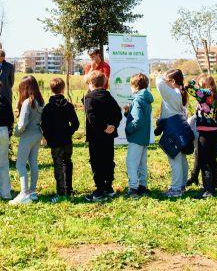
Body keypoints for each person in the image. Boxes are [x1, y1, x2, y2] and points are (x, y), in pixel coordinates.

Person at [186, 74, 217, 199]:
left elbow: (188, 87)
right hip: (214, 132)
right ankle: (215, 183)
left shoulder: (205, 94)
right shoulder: (215, 95)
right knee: (212, 159)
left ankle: (208, 190)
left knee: (204, 161)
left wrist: (193, 81)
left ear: (203, 84)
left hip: (205, 134)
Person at [82, 70, 122, 202]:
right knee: (108, 160)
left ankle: (99, 190)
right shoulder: (108, 95)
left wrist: (104, 127)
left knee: (96, 162)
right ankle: (109, 187)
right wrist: (112, 125)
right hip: (109, 136)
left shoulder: (89, 98)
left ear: (91, 83)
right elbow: (118, 113)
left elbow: (92, 118)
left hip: (96, 136)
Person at [39, 77, 80, 202]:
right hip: (67, 140)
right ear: (63, 89)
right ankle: (69, 189)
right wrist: (69, 132)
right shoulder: (68, 106)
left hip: (54, 141)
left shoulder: (48, 108)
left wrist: (48, 137)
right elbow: (76, 123)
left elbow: (43, 125)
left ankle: (61, 191)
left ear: (51, 89)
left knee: (58, 164)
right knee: (67, 162)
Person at [154, 69, 190, 198]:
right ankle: (182, 184)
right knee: (181, 158)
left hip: (173, 128)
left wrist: (161, 76)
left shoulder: (173, 93)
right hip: (181, 126)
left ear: (172, 81)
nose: (165, 82)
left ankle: (176, 188)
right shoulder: (181, 92)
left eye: (168, 80)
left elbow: (158, 83)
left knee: (174, 157)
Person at [12, 75, 44, 204]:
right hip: (38, 133)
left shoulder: (27, 102)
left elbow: (22, 124)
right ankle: (32, 191)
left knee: (20, 164)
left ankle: (24, 193)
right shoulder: (40, 101)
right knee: (33, 163)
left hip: (28, 135)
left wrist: (16, 133)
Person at [123, 73, 153, 198]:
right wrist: (127, 113)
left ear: (135, 86)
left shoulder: (137, 100)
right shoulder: (146, 99)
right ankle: (142, 186)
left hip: (136, 137)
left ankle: (133, 188)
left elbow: (138, 120)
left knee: (131, 163)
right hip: (144, 136)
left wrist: (128, 129)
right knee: (142, 163)